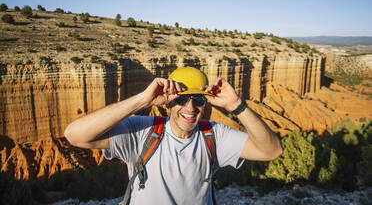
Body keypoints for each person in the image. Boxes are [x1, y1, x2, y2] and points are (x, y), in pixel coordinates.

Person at [64, 66, 282, 204]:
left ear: (205, 103)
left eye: (198, 100)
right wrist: (143, 100)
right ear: (168, 102)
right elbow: (75, 135)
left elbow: (272, 150)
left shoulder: (214, 135)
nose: (190, 108)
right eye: (180, 99)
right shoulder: (142, 131)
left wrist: (236, 105)